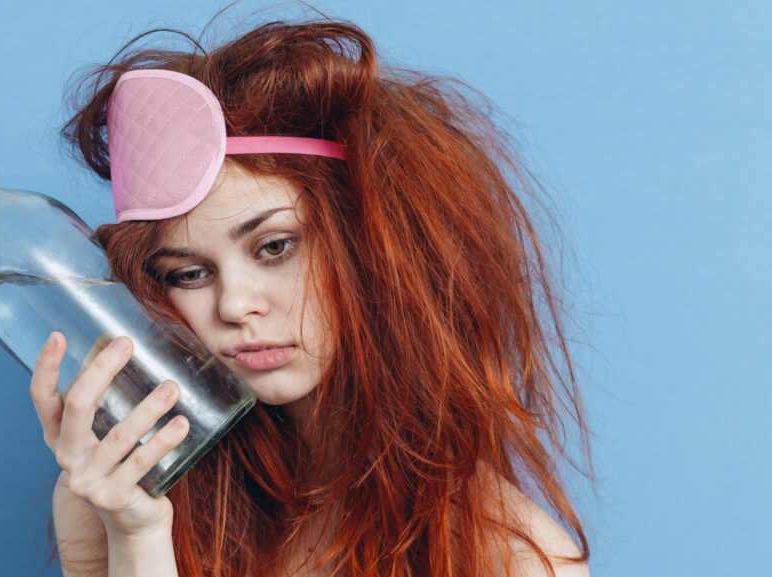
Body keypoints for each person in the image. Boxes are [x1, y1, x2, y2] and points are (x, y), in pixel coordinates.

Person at [29, 16, 594, 577]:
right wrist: (139, 537)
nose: (234, 306)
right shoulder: (112, 492)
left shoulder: (515, 559)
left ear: (374, 249)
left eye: (274, 247)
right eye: (189, 274)